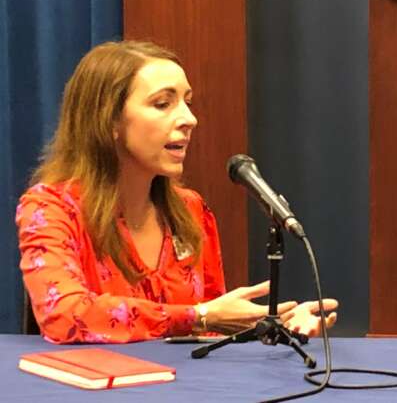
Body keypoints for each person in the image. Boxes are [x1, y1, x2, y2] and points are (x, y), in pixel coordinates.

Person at [16, 40, 338, 343]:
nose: (189, 119)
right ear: (109, 120)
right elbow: (63, 315)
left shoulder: (191, 210)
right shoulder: (50, 208)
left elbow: (210, 331)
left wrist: (274, 326)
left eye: (187, 102)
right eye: (162, 103)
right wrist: (199, 316)